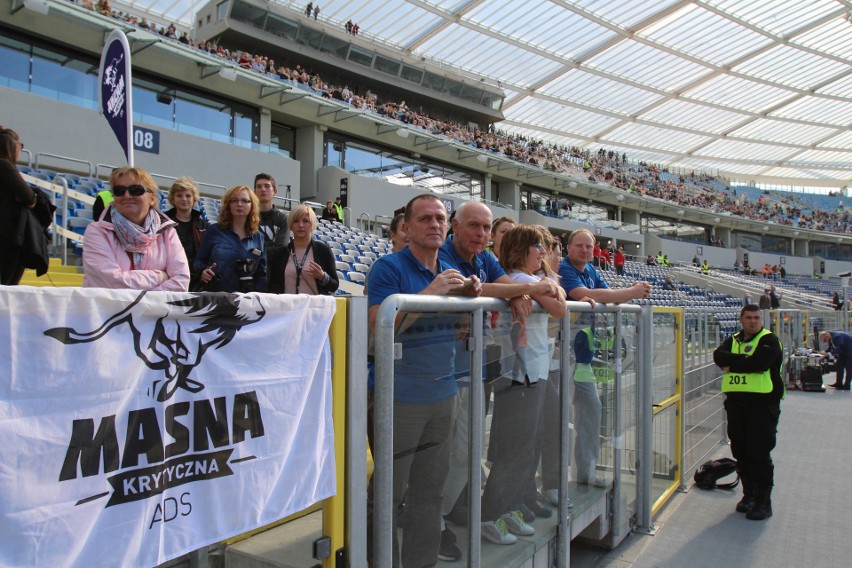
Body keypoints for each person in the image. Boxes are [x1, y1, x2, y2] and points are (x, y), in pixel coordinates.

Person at [437, 204, 562, 551]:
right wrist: (527, 290)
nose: (481, 233)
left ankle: (445, 514)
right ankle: (435, 520)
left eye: (486, 227)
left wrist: (521, 291)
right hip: (444, 371)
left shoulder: (485, 258)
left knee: (467, 452)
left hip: (473, 367)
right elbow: (480, 290)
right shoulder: (444, 255)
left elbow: (503, 285)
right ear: (455, 227)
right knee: (438, 455)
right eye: (473, 226)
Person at [366, 194, 481, 567]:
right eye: (425, 218)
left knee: (430, 493)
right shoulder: (389, 268)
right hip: (398, 398)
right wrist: (431, 294)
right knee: (388, 492)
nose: (434, 224)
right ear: (408, 227)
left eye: (440, 219)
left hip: (443, 394)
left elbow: (455, 329)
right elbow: (379, 327)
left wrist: (465, 300)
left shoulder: (448, 269)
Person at [478, 225, 566, 545]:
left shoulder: (528, 281)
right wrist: (547, 284)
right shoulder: (519, 280)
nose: (542, 253)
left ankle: (508, 506)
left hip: (531, 371)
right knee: (516, 448)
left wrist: (548, 284)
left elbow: (559, 296)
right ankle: (490, 515)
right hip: (519, 374)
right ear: (521, 250)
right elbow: (560, 306)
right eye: (537, 247)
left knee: (524, 446)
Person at [558, 229, 650, 486]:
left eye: (589, 246)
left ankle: (584, 472)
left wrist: (621, 294)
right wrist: (631, 292)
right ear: (569, 247)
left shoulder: (592, 271)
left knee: (591, 411)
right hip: (562, 356)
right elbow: (585, 295)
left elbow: (605, 296)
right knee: (557, 419)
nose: (585, 250)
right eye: (579, 245)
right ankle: (554, 480)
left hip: (582, 358)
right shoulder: (564, 270)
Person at [713, 305, 783, 520]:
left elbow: (760, 362)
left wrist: (732, 365)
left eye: (756, 317)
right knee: (740, 452)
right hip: (736, 406)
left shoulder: (769, 340)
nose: (753, 321)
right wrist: (746, 364)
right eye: (749, 318)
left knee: (759, 454)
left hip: (762, 407)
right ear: (741, 319)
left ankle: (764, 501)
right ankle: (749, 495)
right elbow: (718, 357)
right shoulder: (733, 339)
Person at [82, 166, 189, 291]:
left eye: (136, 190)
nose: (127, 195)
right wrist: (160, 276)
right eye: (119, 190)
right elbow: (110, 283)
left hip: (155, 311)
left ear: (152, 198)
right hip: (109, 310)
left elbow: (181, 283)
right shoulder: (97, 231)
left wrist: (142, 301)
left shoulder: (168, 232)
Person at [194, 185, 267, 293]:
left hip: (245, 301)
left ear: (252, 206)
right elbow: (198, 261)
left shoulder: (258, 237)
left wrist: (256, 297)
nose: (239, 204)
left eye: (245, 201)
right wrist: (202, 272)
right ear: (228, 205)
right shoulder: (214, 231)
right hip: (216, 296)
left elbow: (262, 273)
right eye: (234, 200)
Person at [0, 127, 50, 285]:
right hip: (7, 236)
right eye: (19, 146)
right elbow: (29, 198)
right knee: (8, 286)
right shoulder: (4, 166)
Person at [268, 204, 338, 295]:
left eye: (305, 221)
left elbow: (334, 286)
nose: (300, 225)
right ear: (291, 225)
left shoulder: (323, 251)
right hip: (287, 307)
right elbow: (273, 287)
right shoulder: (280, 253)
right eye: (296, 221)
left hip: (314, 308)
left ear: (312, 224)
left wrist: (322, 276)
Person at [164, 177, 208, 291]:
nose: (184, 199)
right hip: (170, 279)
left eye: (188, 196)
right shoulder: (163, 223)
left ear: (194, 199)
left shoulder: (205, 226)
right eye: (179, 195)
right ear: (173, 199)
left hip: (198, 282)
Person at [253, 173, 288, 256]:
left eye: (267, 186)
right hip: (252, 267)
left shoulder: (283, 219)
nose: (263, 189)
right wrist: (272, 244)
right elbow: (244, 247)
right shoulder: (248, 217)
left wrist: (256, 251)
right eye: (259, 186)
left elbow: (281, 250)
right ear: (254, 192)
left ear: (274, 191)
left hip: (274, 268)